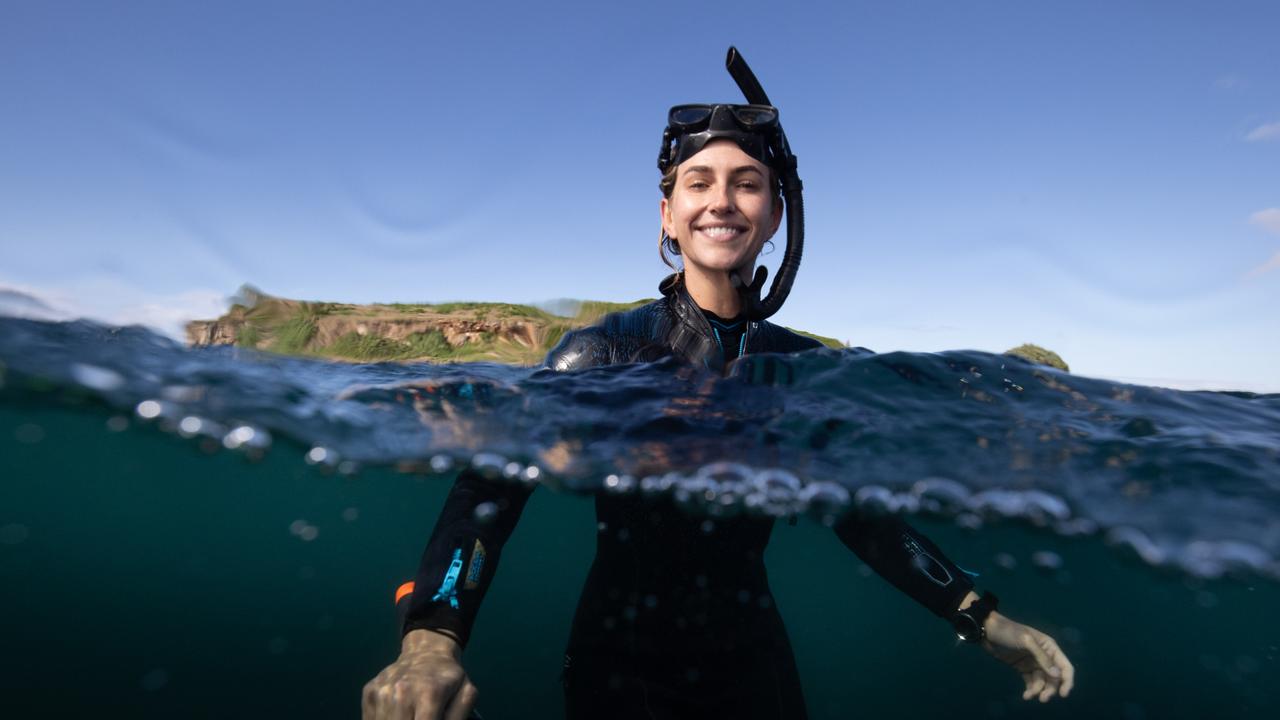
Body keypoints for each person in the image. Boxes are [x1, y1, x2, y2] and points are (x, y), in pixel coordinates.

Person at [363, 50, 1074, 720]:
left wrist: (980, 618)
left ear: (774, 214)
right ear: (667, 215)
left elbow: (861, 515)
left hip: (756, 665)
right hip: (621, 664)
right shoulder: (601, 353)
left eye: (747, 183)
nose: (722, 201)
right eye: (697, 183)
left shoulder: (801, 369)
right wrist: (431, 639)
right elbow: (489, 487)